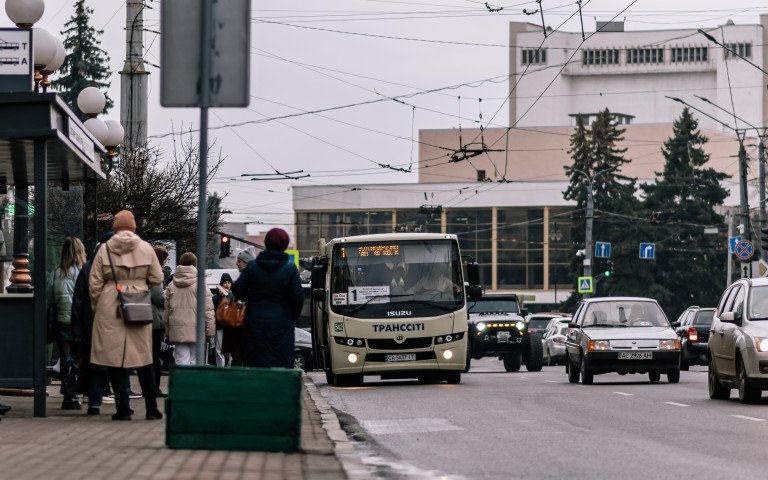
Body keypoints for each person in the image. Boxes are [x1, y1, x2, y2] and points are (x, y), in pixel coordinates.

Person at [89, 210, 164, 421]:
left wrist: (99, 306)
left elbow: (94, 283)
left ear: (114, 228)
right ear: (134, 228)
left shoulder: (105, 249)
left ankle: (123, 408)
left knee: (114, 358)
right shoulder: (146, 247)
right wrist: (139, 284)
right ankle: (151, 408)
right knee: (144, 357)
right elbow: (157, 277)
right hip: (138, 302)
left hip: (110, 301)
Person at [232, 228, 304, 368]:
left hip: (255, 326)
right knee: (281, 367)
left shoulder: (252, 267)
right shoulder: (290, 269)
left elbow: (237, 290)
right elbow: (298, 298)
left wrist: (251, 298)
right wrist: (291, 316)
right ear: (284, 245)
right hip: (282, 327)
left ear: (266, 243)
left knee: (257, 366)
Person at [71, 232, 121, 415]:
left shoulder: (88, 268)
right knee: (116, 364)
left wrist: (76, 329)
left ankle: (94, 401)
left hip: (91, 324)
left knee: (95, 363)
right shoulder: (119, 268)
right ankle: (120, 403)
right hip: (114, 322)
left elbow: (77, 301)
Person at [50, 237, 87, 410]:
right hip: (78, 323)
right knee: (76, 358)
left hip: (62, 322)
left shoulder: (57, 272)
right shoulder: (83, 272)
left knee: (65, 358)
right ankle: (72, 391)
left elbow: (50, 297)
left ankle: (66, 392)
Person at [164, 252, 215, 365]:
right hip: (197, 328)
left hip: (177, 329)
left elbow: (166, 311)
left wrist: (167, 331)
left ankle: (181, 381)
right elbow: (208, 310)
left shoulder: (171, 285)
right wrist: (209, 331)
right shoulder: (201, 284)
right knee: (196, 362)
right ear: (195, 264)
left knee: (181, 361)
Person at [222, 249, 255, 364]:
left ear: (247, 263)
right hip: (245, 326)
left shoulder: (248, 278)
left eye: (239, 261)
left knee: (240, 358)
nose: (237, 264)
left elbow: (237, 294)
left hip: (244, 327)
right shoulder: (250, 277)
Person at [151, 247, 169, 396]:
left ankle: (150, 388)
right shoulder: (156, 274)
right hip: (155, 320)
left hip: (145, 318)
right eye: (165, 259)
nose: (166, 262)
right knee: (155, 355)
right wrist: (167, 298)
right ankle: (154, 388)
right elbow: (159, 298)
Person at [212, 273, 234, 366]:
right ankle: (220, 369)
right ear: (221, 284)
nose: (227, 284)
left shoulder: (233, 297)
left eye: (229, 282)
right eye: (225, 282)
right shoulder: (215, 298)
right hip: (220, 327)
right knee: (219, 350)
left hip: (231, 328)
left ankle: (228, 369)